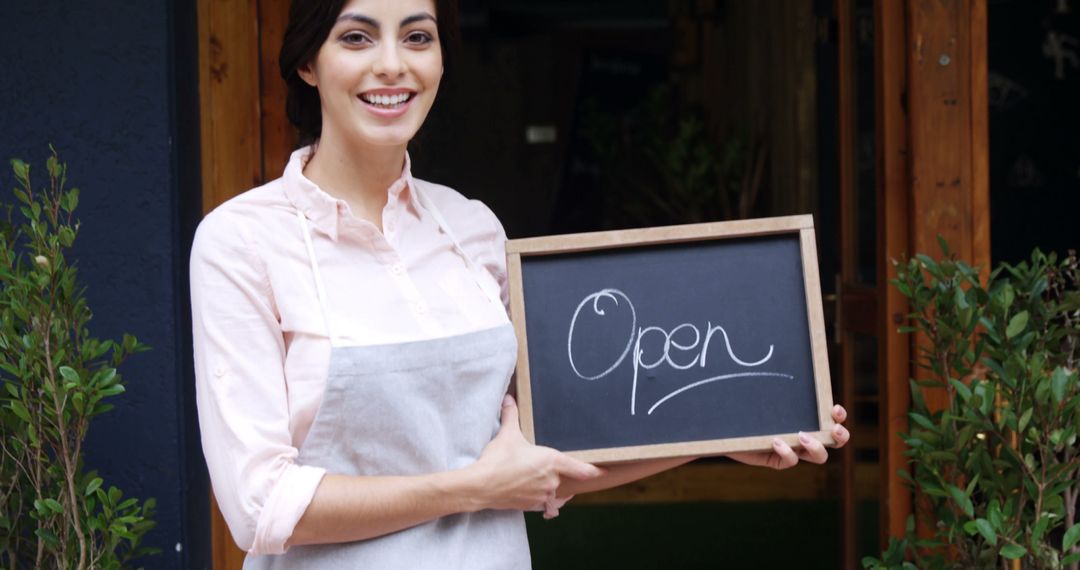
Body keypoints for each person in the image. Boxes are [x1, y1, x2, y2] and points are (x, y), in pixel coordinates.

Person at [189, 0, 852, 567]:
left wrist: (721, 435)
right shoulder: (242, 242)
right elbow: (262, 505)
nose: (393, 63)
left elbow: (550, 447)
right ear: (308, 62)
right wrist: (473, 488)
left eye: (418, 36)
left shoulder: (471, 228)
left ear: (442, 61)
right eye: (357, 36)